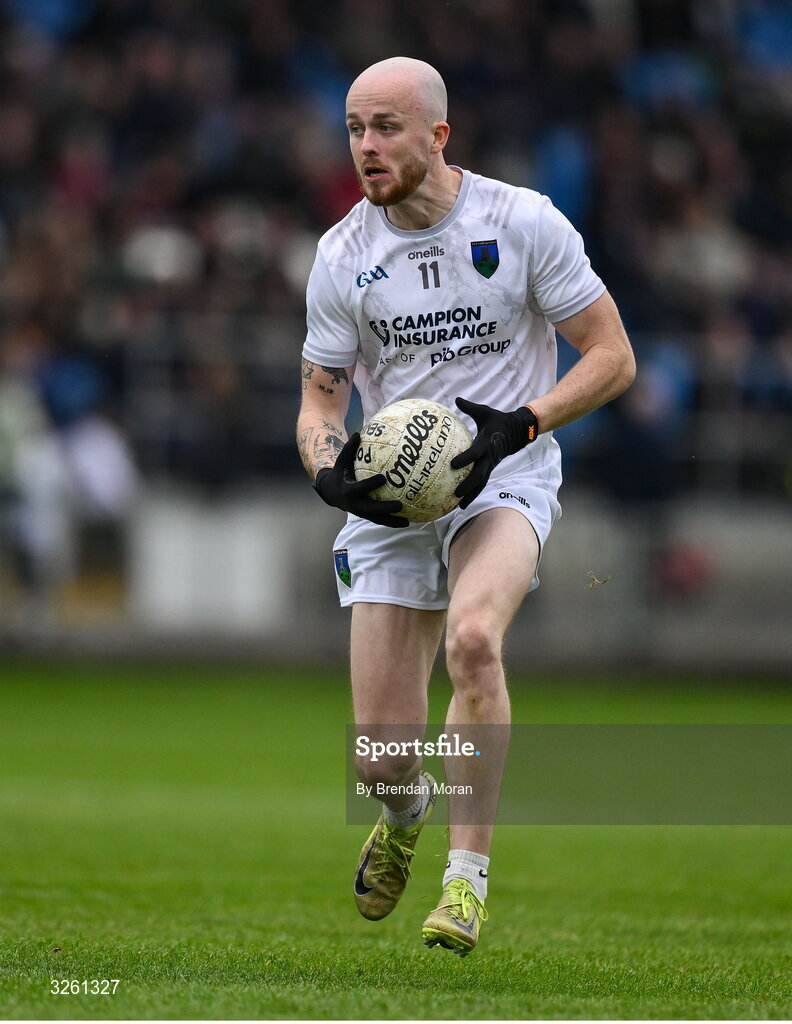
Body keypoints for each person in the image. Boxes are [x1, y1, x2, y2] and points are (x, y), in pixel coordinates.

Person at [297, 56, 635, 956]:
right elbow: (321, 400)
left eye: (386, 128)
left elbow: (610, 355)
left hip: (505, 474)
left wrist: (521, 424)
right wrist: (331, 469)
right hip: (393, 499)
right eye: (354, 129)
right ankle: (403, 815)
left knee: (476, 637)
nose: (366, 147)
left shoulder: (521, 222)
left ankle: (465, 883)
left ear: (438, 135)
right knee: (379, 760)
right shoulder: (341, 257)